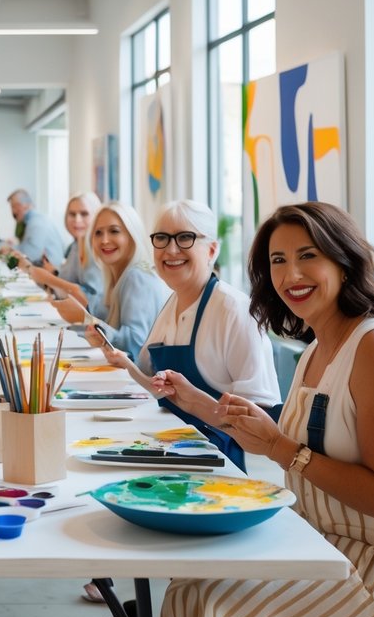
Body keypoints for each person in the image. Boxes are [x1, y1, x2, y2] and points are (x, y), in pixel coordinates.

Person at [158, 202, 374, 617]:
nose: (291, 273)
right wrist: (204, 405)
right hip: (325, 541)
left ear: (344, 258)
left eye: (308, 255)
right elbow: (300, 443)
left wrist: (282, 449)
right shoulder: (317, 348)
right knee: (188, 587)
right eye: (278, 261)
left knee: (217, 606)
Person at [90, 199, 280, 470]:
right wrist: (127, 366)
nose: (171, 249)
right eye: (162, 239)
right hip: (168, 451)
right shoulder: (172, 303)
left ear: (212, 249)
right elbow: (157, 387)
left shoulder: (235, 311)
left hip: (217, 466)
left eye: (185, 238)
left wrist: (197, 402)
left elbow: (260, 424)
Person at [55, 202, 166, 359]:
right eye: (98, 233)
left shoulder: (138, 276)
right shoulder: (116, 274)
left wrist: (90, 322)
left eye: (114, 231)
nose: (105, 240)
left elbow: (136, 343)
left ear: (132, 235)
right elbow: (108, 318)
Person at [28, 192, 104, 310]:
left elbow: (89, 299)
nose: (77, 219)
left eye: (84, 214)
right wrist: (53, 272)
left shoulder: (96, 249)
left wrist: (47, 278)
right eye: (72, 214)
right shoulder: (76, 245)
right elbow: (70, 282)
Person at [5, 188, 67, 266]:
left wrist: (9, 249)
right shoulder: (33, 221)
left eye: (15, 206)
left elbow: (30, 254)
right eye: (12, 207)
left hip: (50, 272)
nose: (13, 211)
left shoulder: (37, 223)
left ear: (27, 205)